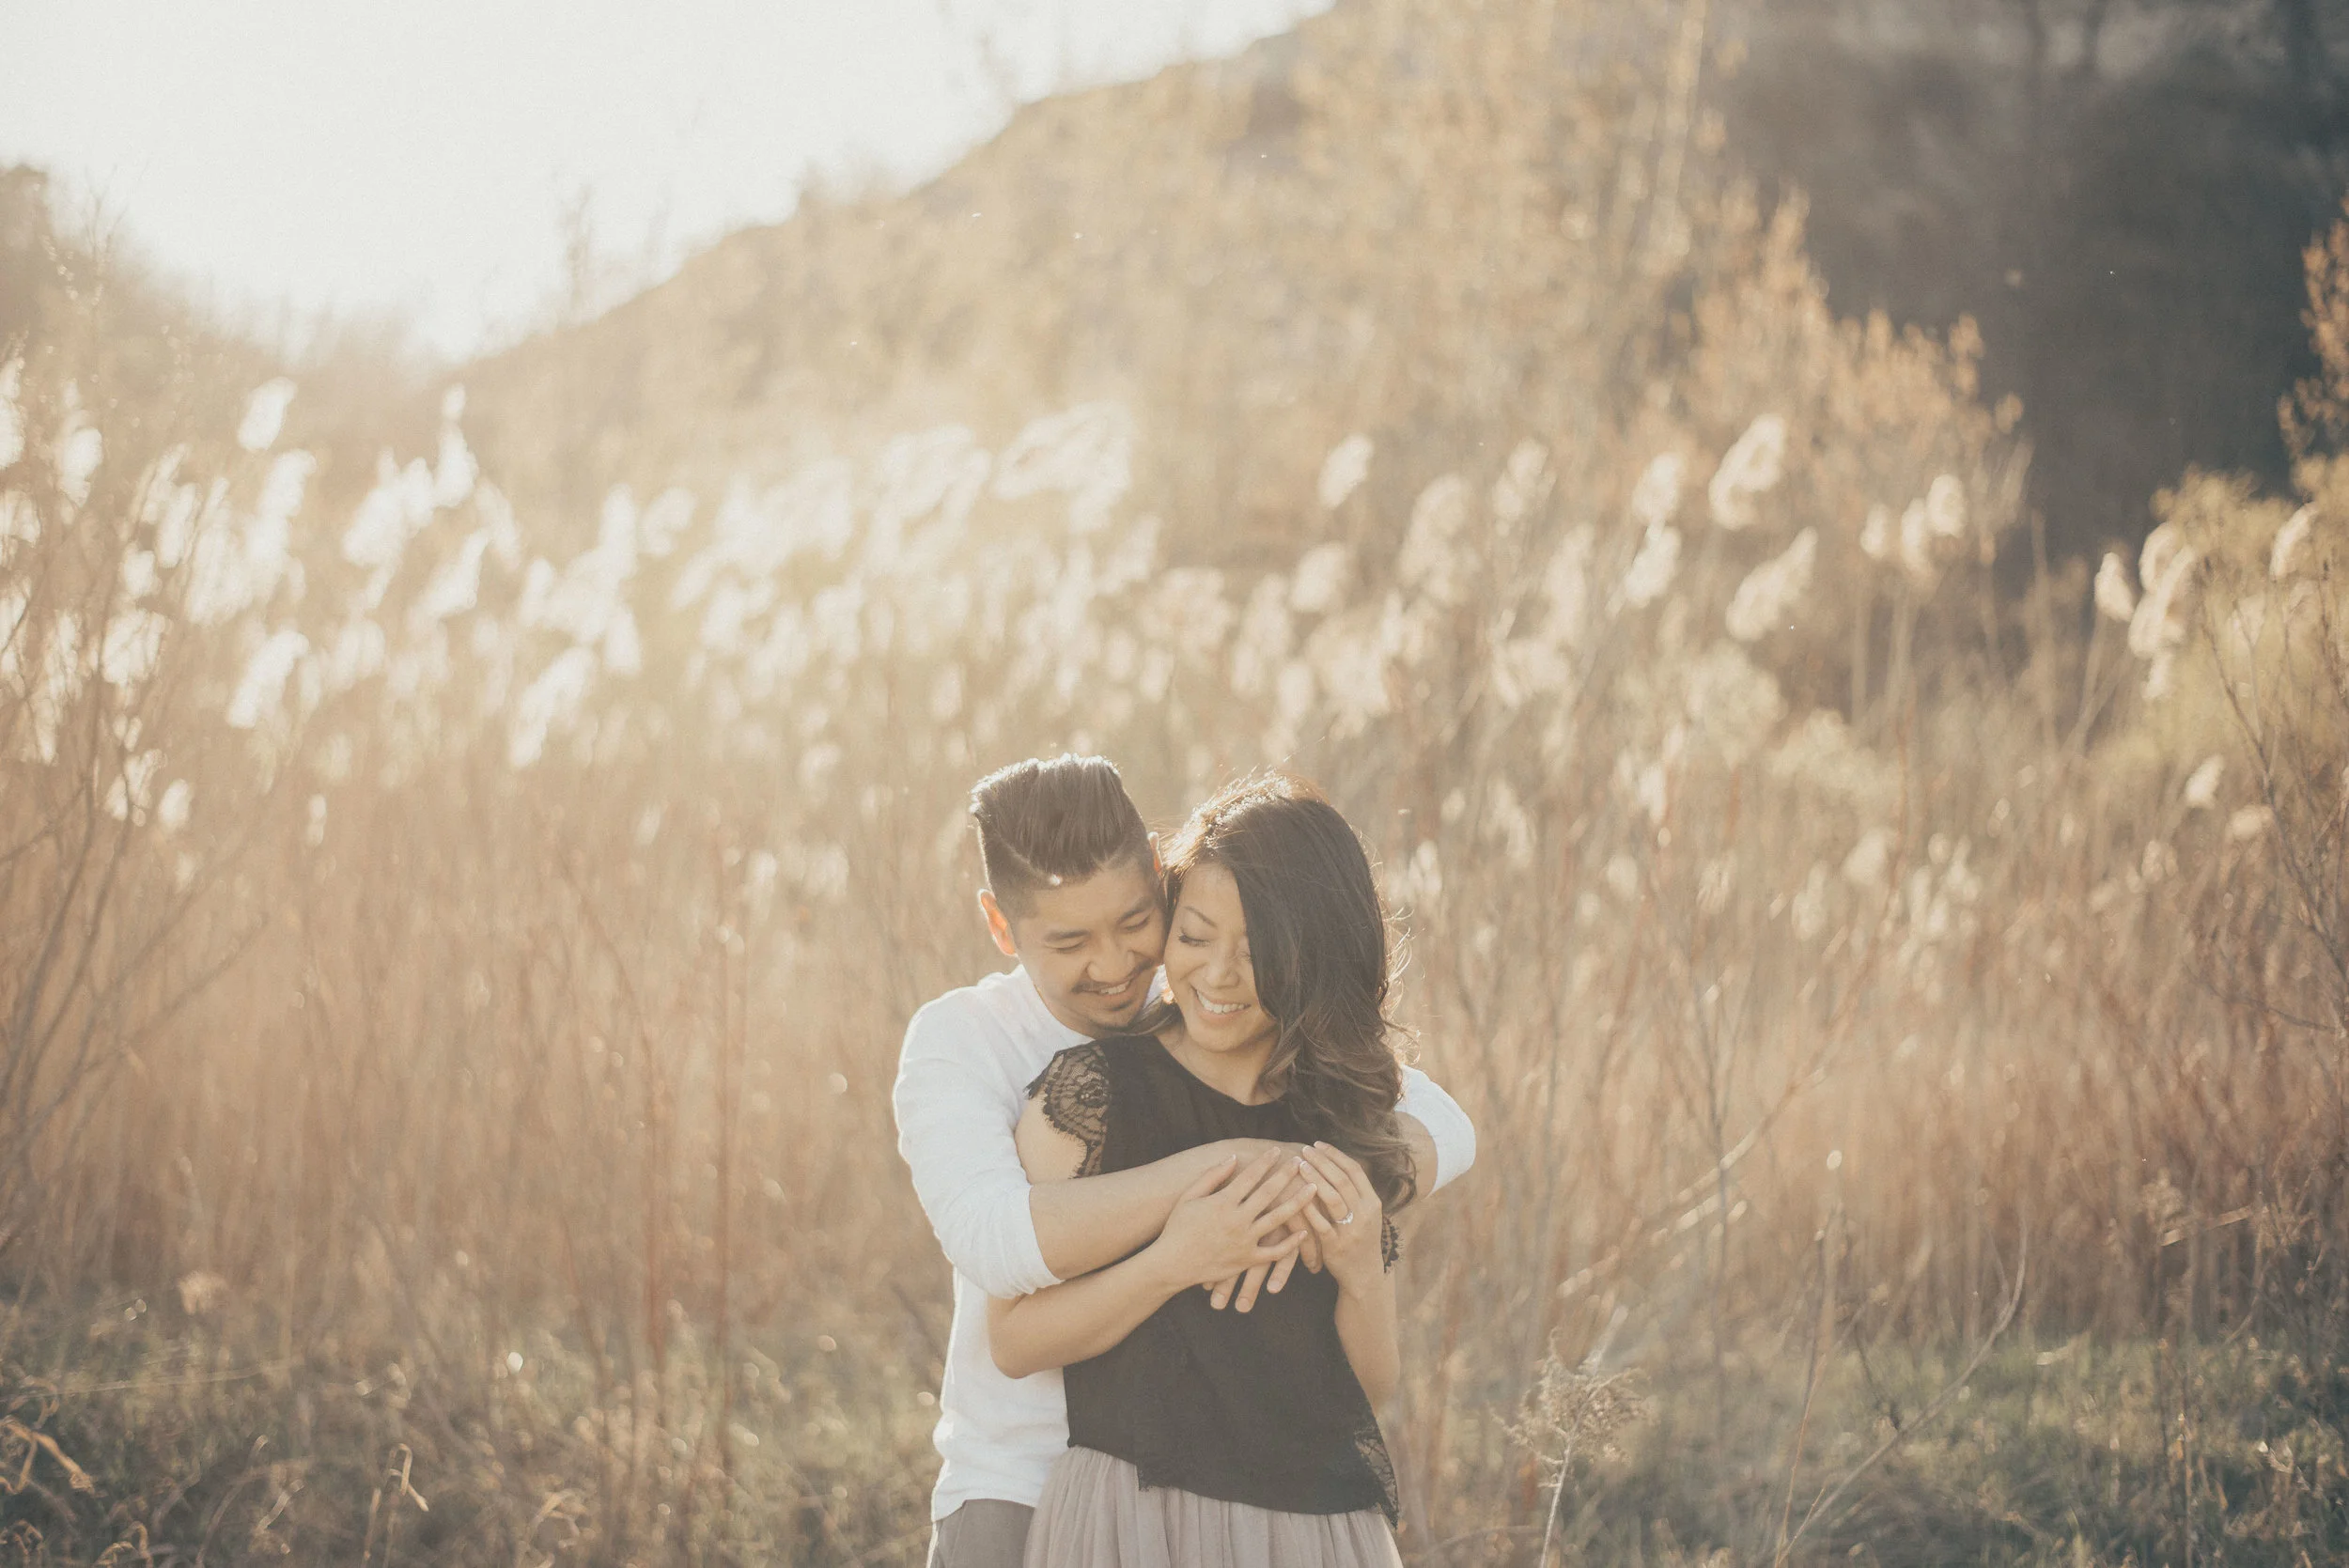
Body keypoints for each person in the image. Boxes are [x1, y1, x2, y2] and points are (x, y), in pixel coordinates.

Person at [894, 756, 1476, 1568]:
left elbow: (1445, 1123)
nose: (1115, 965)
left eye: (1138, 922)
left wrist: (1338, 1218)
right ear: (1002, 926)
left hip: (1287, 1498)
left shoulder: (1243, 1038)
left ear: (1164, 883)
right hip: (1026, 1479)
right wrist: (1230, 1174)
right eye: (1070, 940)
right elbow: (997, 1242)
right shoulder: (970, 1043)